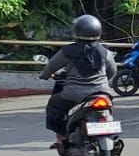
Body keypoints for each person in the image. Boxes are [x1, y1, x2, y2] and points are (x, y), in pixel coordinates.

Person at [39, 15, 118, 147]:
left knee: (54, 106)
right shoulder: (105, 51)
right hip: (101, 93)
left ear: (77, 31)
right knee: (108, 110)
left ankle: (62, 136)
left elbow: (52, 66)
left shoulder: (67, 51)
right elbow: (112, 71)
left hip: (74, 95)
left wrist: (45, 75)